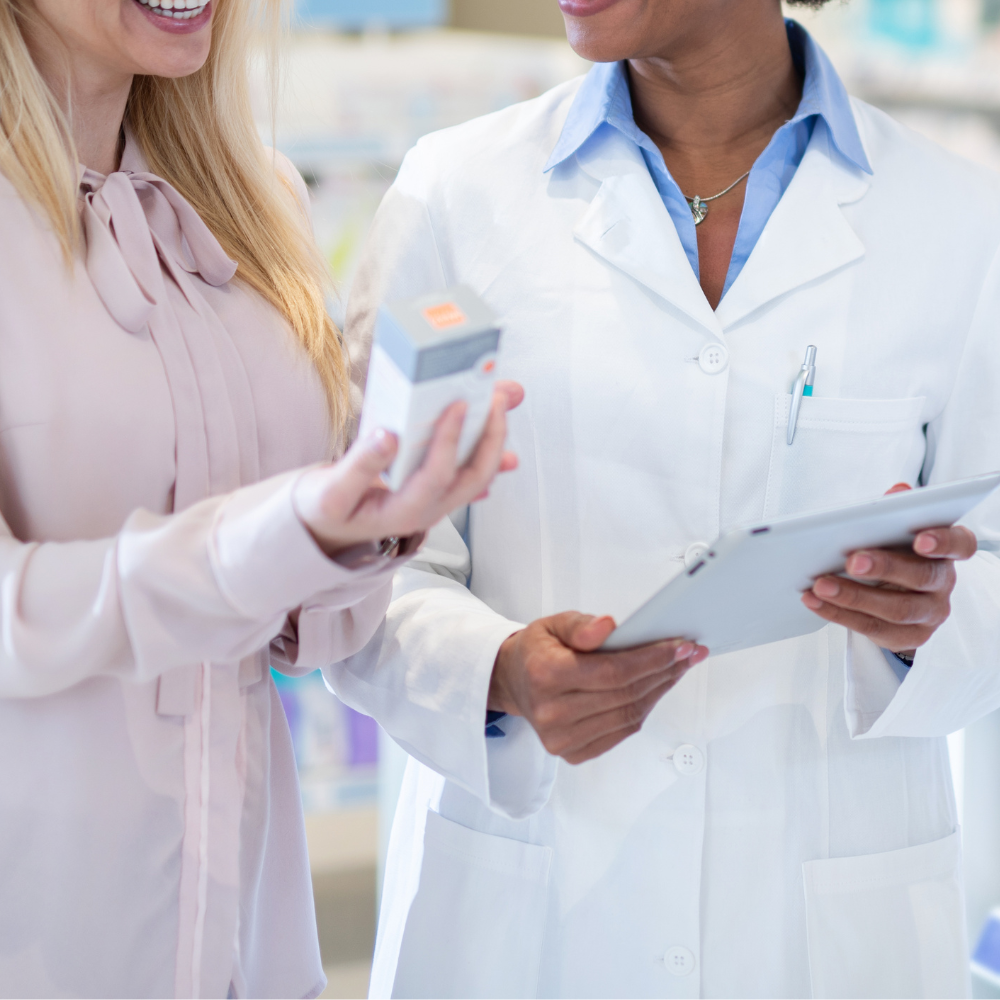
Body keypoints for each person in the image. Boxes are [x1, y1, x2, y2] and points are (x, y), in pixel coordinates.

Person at [337, 0, 1000, 996]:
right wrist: (496, 672)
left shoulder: (960, 223)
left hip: (821, 936)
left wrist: (922, 626)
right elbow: (352, 568)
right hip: (526, 922)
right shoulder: (454, 191)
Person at [0, 1, 520, 997]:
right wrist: (289, 531)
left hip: (252, 945)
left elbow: (311, 635)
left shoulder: (256, 203)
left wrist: (377, 524)